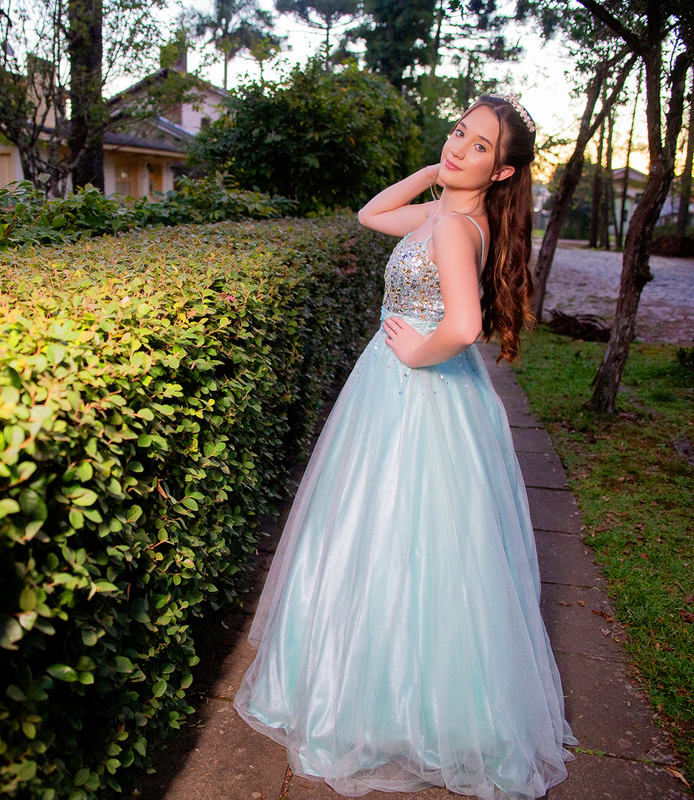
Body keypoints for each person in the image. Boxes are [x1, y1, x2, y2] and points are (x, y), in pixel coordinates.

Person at [233, 95, 577, 799]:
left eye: (479, 146)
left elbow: (466, 322)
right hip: (406, 386)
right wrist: (433, 170)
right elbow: (370, 215)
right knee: (403, 536)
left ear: (504, 172)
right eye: (459, 133)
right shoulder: (444, 213)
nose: (459, 146)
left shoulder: (454, 229)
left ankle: (390, 704)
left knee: (397, 533)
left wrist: (418, 356)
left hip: (415, 391)